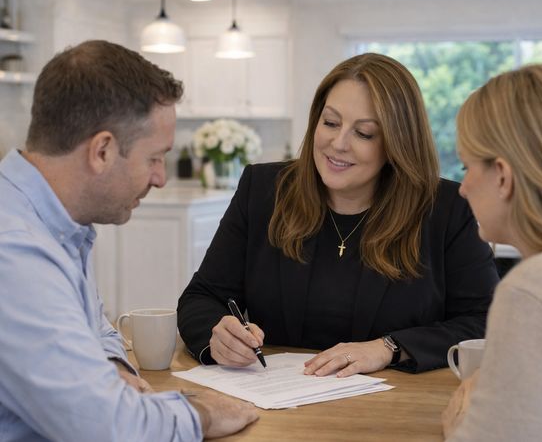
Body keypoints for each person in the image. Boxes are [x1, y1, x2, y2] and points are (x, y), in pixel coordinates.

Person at [178, 53, 499, 376]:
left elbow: (486, 321)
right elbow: (202, 297)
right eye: (330, 123)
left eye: (364, 133)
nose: (338, 143)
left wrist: (389, 348)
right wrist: (218, 336)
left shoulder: (446, 209)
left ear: (397, 143)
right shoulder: (263, 190)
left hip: (396, 401)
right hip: (276, 396)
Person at [0, 40, 257, 441]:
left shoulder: (56, 223)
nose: (161, 178)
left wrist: (113, 368)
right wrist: (202, 414)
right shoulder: (16, 252)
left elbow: (98, 328)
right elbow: (109, 427)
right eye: (154, 158)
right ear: (102, 151)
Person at [442, 64, 542, 441]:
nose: (462, 188)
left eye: (466, 166)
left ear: (502, 175)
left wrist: (459, 422)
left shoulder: (536, 289)